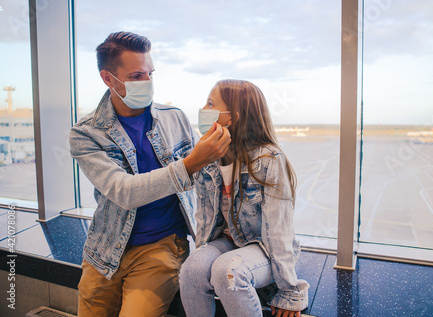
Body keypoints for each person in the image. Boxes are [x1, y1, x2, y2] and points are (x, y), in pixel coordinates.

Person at [69, 31, 231, 317]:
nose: (147, 83)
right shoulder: (85, 134)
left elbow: (211, 174)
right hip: (105, 249)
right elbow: (124, 191)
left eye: (150, 73)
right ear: (108, 79)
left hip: (162, 247)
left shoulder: (175, 118)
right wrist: (189, 164)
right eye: (135, 76)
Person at [179, 80, 309, 317]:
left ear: (232, 118)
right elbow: (205, 220)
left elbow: (278, 231)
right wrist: (201, 257)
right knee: (191, 269)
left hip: (264, 249)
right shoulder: (208, 159)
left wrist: (289, 291)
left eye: (210, 103)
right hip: (230, 241)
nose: (203, 109)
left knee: (227, 271)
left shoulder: (269, 159)